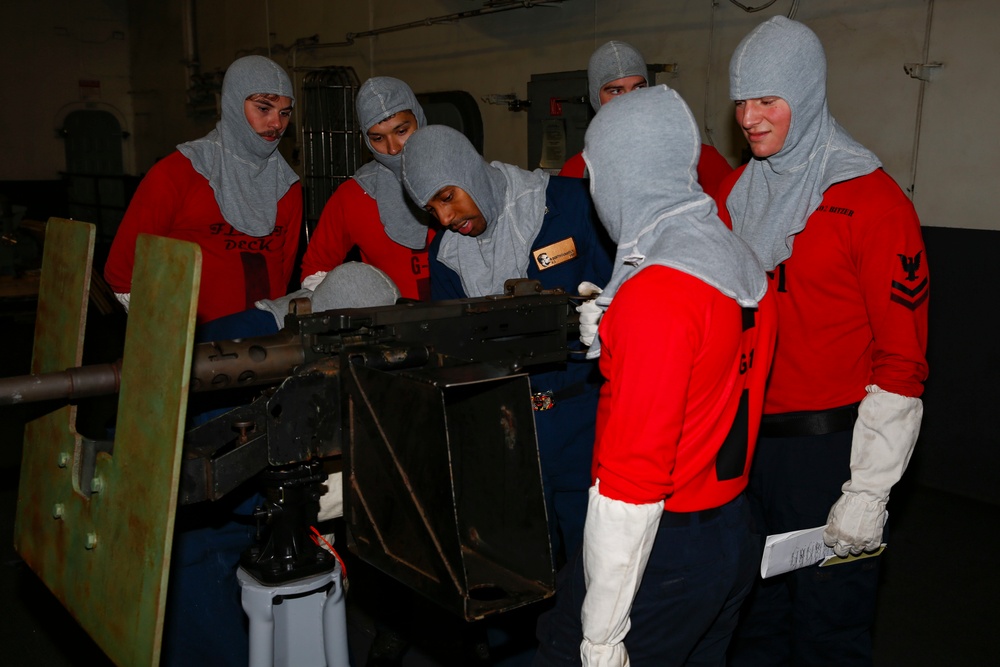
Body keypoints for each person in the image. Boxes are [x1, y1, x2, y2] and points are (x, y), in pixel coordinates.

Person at [533, 85, 776, 667]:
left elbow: (631, 483)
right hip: (732, 527)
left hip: (660, 547)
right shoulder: (737, 257)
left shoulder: (659, 295)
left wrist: (603, 629)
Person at [715, 17, 929, 666]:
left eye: (767, 100)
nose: (750, 118)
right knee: (750, 624)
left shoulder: (872, 202)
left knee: (828, 630)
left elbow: (903, 359)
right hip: (748, 448)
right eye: (741, 100)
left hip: (831, 453)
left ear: (806, 95)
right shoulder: (734, 194)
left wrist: (868, 489)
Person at [401, 125, 615, 571]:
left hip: (587, 425)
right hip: (507, 434)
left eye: (447, 196)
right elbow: (454, 357)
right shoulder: (447, 254)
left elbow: (634, 286)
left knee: (598, 569)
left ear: (468, 172)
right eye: (431, 208)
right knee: (519, 573)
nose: (443, 218)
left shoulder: (573, 204)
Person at [105, 55, 302, 325]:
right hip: (190, 347)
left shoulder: (287, 188)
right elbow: (122, 269)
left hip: (262, 348)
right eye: (263, 108)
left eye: (284, 112)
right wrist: (165, 333)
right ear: (233, 103)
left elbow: (282, 272)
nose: (277, 124)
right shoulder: (177, 174)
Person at [300, 76, 436, 301]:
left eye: (401, 131)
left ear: (419, 119)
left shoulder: (457, 177)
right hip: (388, 329)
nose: (392, 149)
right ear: (365, 138)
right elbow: (316, 268)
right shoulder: (352, 196)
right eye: (378, 138)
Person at [559, 40, 734, 199]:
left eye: (638, 87)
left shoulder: (703, 162)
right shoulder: (576, 173)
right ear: (596, 99)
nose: (630, 100)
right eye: (615, 91)